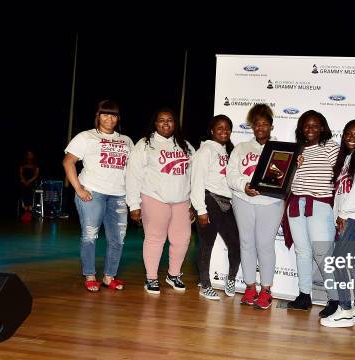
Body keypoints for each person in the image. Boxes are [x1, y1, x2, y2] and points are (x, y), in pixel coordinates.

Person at [63, 100, 134, 292]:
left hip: (119, 195)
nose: (109, 118)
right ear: (98, 116)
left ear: (118, 118)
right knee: (90, 236)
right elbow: (68, 162)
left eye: (113, 115)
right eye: (105, 114)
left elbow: (132, 171)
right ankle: (90, 275)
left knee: (118, 238)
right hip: (93, 193)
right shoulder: (86, 137)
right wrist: (79, 189)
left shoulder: (127, 140)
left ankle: (109, 277)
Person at [126, 107, 195, 295]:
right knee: (155, 239)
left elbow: (194, 177)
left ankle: (173, 275)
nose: (166, 123)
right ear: (155, 124)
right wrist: (134, 205)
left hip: (181, 200)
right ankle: (151, 279)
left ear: (175, 123)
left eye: (170, 120)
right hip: (154, 198)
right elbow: (133, 176)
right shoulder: (145, 144)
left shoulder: (186, 145)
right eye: (161, 120)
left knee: (182, 240)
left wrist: (193, 204)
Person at [227, 104, 285, 310]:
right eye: (257, 124)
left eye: (264, 124)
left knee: (265, 244)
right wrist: (244, 186)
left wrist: (297, 163)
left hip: (270, 201)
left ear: (271, 126)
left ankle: (266, 290)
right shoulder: (241, 148)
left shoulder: (281, 148)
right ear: (252, 126)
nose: (260, 128)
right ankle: (250, 287)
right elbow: (231, 174)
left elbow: (285, 176)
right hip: (243, 199)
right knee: (246, 243)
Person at [320, 119, 355, 328]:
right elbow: (341, 193)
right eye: (348, 134)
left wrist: (343, 214)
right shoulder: (348, 159)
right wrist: (338, 214)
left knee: (338, 260)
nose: (352, 138)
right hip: (347, 216)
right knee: (353, 264)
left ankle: (345, 310)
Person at [284, 110, 339, 315]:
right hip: (296, 204)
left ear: (322, 128)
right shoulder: (296, 150)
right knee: (302, 252)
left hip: (319, 204)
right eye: (306, 125)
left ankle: (334, 299)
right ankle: (304, 295)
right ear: (301, 128)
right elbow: (287, 180)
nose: (310, 129)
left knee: (322, 253)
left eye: (315, 125)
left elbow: (341, 174)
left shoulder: (330, 147)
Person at [190, 114, 241, 301]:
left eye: (227, 128)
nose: (224, 131)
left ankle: (232, 278)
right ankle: (205, 284)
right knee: (206, 245)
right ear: (212, 130)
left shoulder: (228, 152)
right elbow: (196, 182)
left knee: (236, 244)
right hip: (209, 200)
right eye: (219, 128)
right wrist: (201, 210)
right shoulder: (205, 151)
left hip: (227, 203)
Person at [19, 150, 40, 221]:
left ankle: (30, 212)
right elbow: (21, 173)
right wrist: (24, 180)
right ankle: (25, 211)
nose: (29, 155)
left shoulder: (36, 164)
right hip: (24, 182)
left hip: (32, 181)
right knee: (24, 193)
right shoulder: (23, 163)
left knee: (31, 194)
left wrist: (29, 181)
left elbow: (36, 174)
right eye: (28, 154)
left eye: (30, 154)